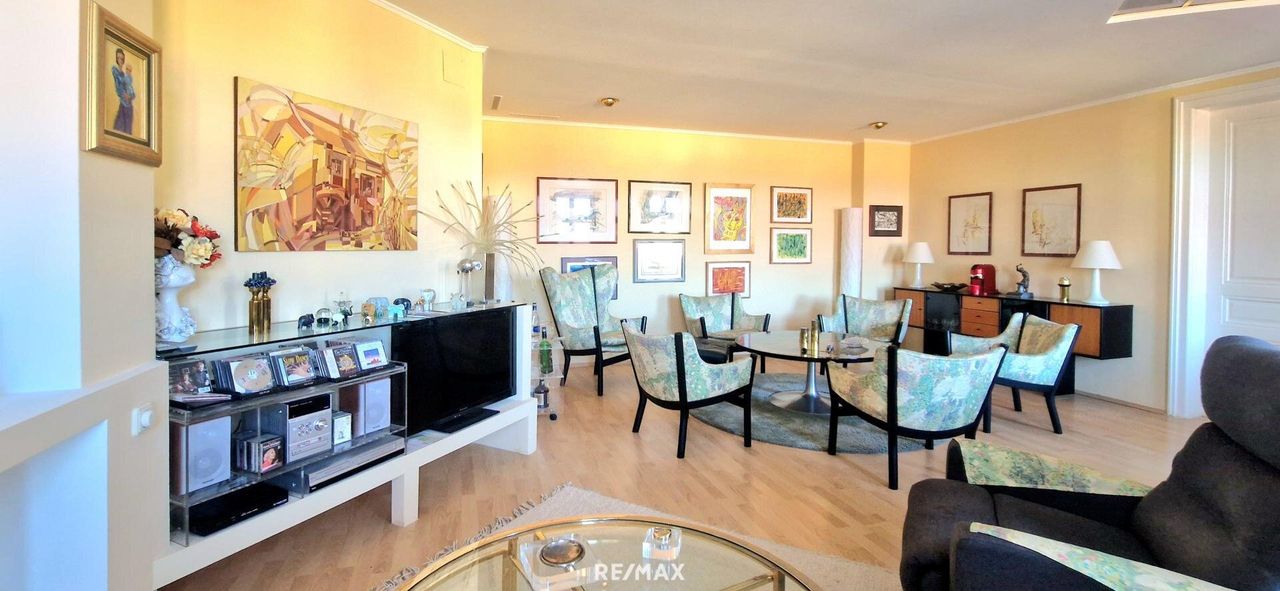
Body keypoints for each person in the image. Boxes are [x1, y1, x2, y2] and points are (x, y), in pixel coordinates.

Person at [111, 48, 136, 135]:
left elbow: (133, 93)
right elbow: (119, 87)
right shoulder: (115, 70)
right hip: (123, 104)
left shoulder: (127, 76)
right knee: (118, 129)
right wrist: (123, 94)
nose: (120, 60)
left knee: (127, 132)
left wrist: (130, 96)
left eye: (122, 58)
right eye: (118, 58)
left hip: (128, 106)